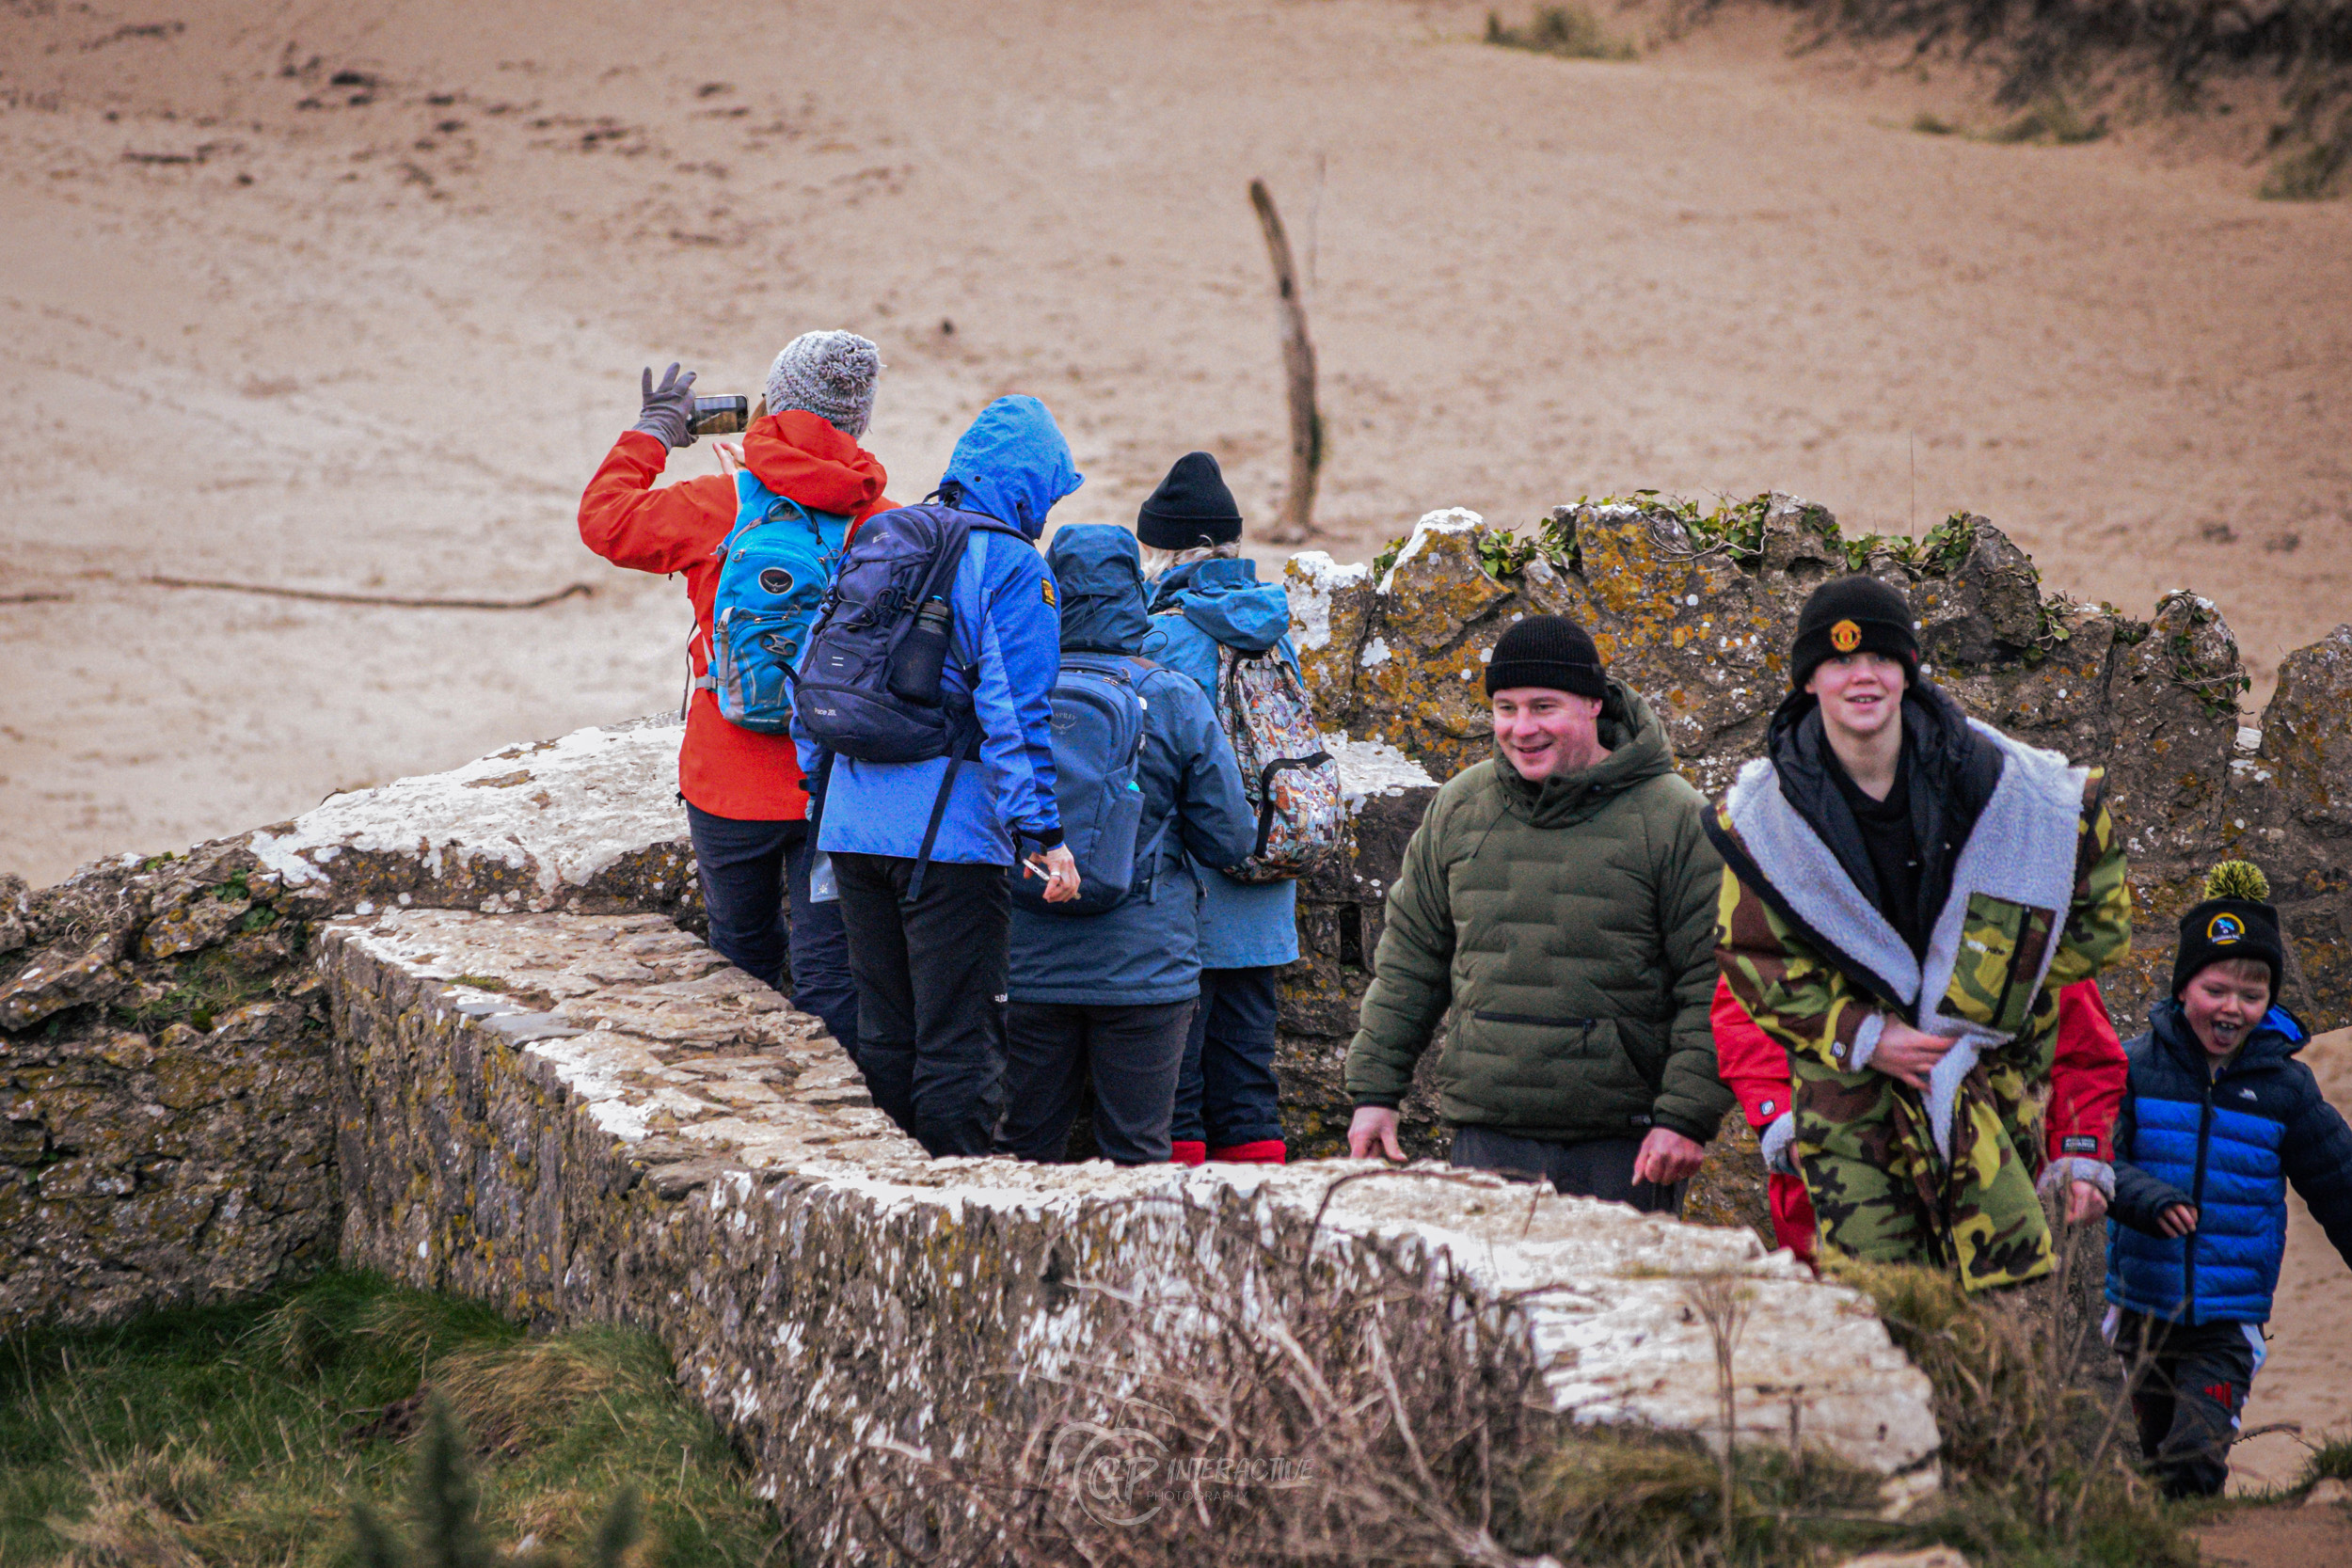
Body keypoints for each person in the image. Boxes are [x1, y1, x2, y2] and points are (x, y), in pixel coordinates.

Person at [1710, 575, 2133, 1293]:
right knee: (1879, 1325)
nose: (1862, 675)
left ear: (1908, 669)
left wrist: (1989, 1005)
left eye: (1880, 655)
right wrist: (1865, 1036)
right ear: (1809, 679)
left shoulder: (2006, 790)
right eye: (1839, 660)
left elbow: (2087, 926)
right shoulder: (1766, 824)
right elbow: (1752, 964)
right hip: (1852, 1124)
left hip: (1992, 1108)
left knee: (1995, 1334)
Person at [1343, 615, 1731, 1209]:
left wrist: (1685, 1117)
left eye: (1543, 706)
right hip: (1487, 1136)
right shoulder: (1461, 807)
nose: (1522, 728)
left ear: (1593, 705)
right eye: (1505, 708)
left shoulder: (1675, 819)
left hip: (1624, 1146)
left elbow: (1713, 981)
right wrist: (1375, 1092)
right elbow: (1410, 961)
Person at [577, 333, 889, 1048]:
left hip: (725, 779)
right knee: (831, 974)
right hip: (832, 785)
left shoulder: (717, 503)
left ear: (773, 403)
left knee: (740, 960)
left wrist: (654, 431)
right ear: (859, 421)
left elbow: (604, 518)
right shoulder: (887, 524)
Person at [807, 395, 1081, 1158]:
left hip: (852, 825)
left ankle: (883, 1200)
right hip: (948, 842)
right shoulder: (1013, 565)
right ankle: (952, 1226)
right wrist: (1044, 835)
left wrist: (820, 797)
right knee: (960, 1041)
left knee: (886, 1033)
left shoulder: (886, 534)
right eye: (1048, 498)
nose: (1046, 515)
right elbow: (1014, 713)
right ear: (1028, 490)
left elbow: (820, 670)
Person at [996, 525, 1255, 1166]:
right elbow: (1231, 838)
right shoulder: (1171, 696)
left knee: (1025, 1150)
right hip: (1145, 967)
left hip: (1027, 959)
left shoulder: (1012, 690)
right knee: (1137, 1154)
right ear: (1134, 596)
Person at [2104, 861, 2352, 1497]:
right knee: (2155, 1458)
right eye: (2217, 988)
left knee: (2192, 1457)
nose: (2232, 1008)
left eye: (2253, 993)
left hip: (2228, 1317)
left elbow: (2338, 1180)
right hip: (2142, 1307)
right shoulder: (2133, 1066)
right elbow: (2099, 1159)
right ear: (2185, 984)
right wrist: (2145, 1197)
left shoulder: (2284, 1086)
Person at [1712, 974, 2128, 1265]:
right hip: (1835, 1202)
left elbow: (2084, 1052)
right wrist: (1785, 1127)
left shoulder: (2016, 879)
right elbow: (1747, 1003)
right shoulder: (1806, 859)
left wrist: (2080, 1154)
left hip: (1997, 1215)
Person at [1136, 451, 1300, 1166]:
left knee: (1178, 1089)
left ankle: (1188, 1239)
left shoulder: (1163, 636)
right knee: (1248, 1087)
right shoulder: (1273, 628)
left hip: (1191, 899)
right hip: (1267, 891)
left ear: (1164, 551)